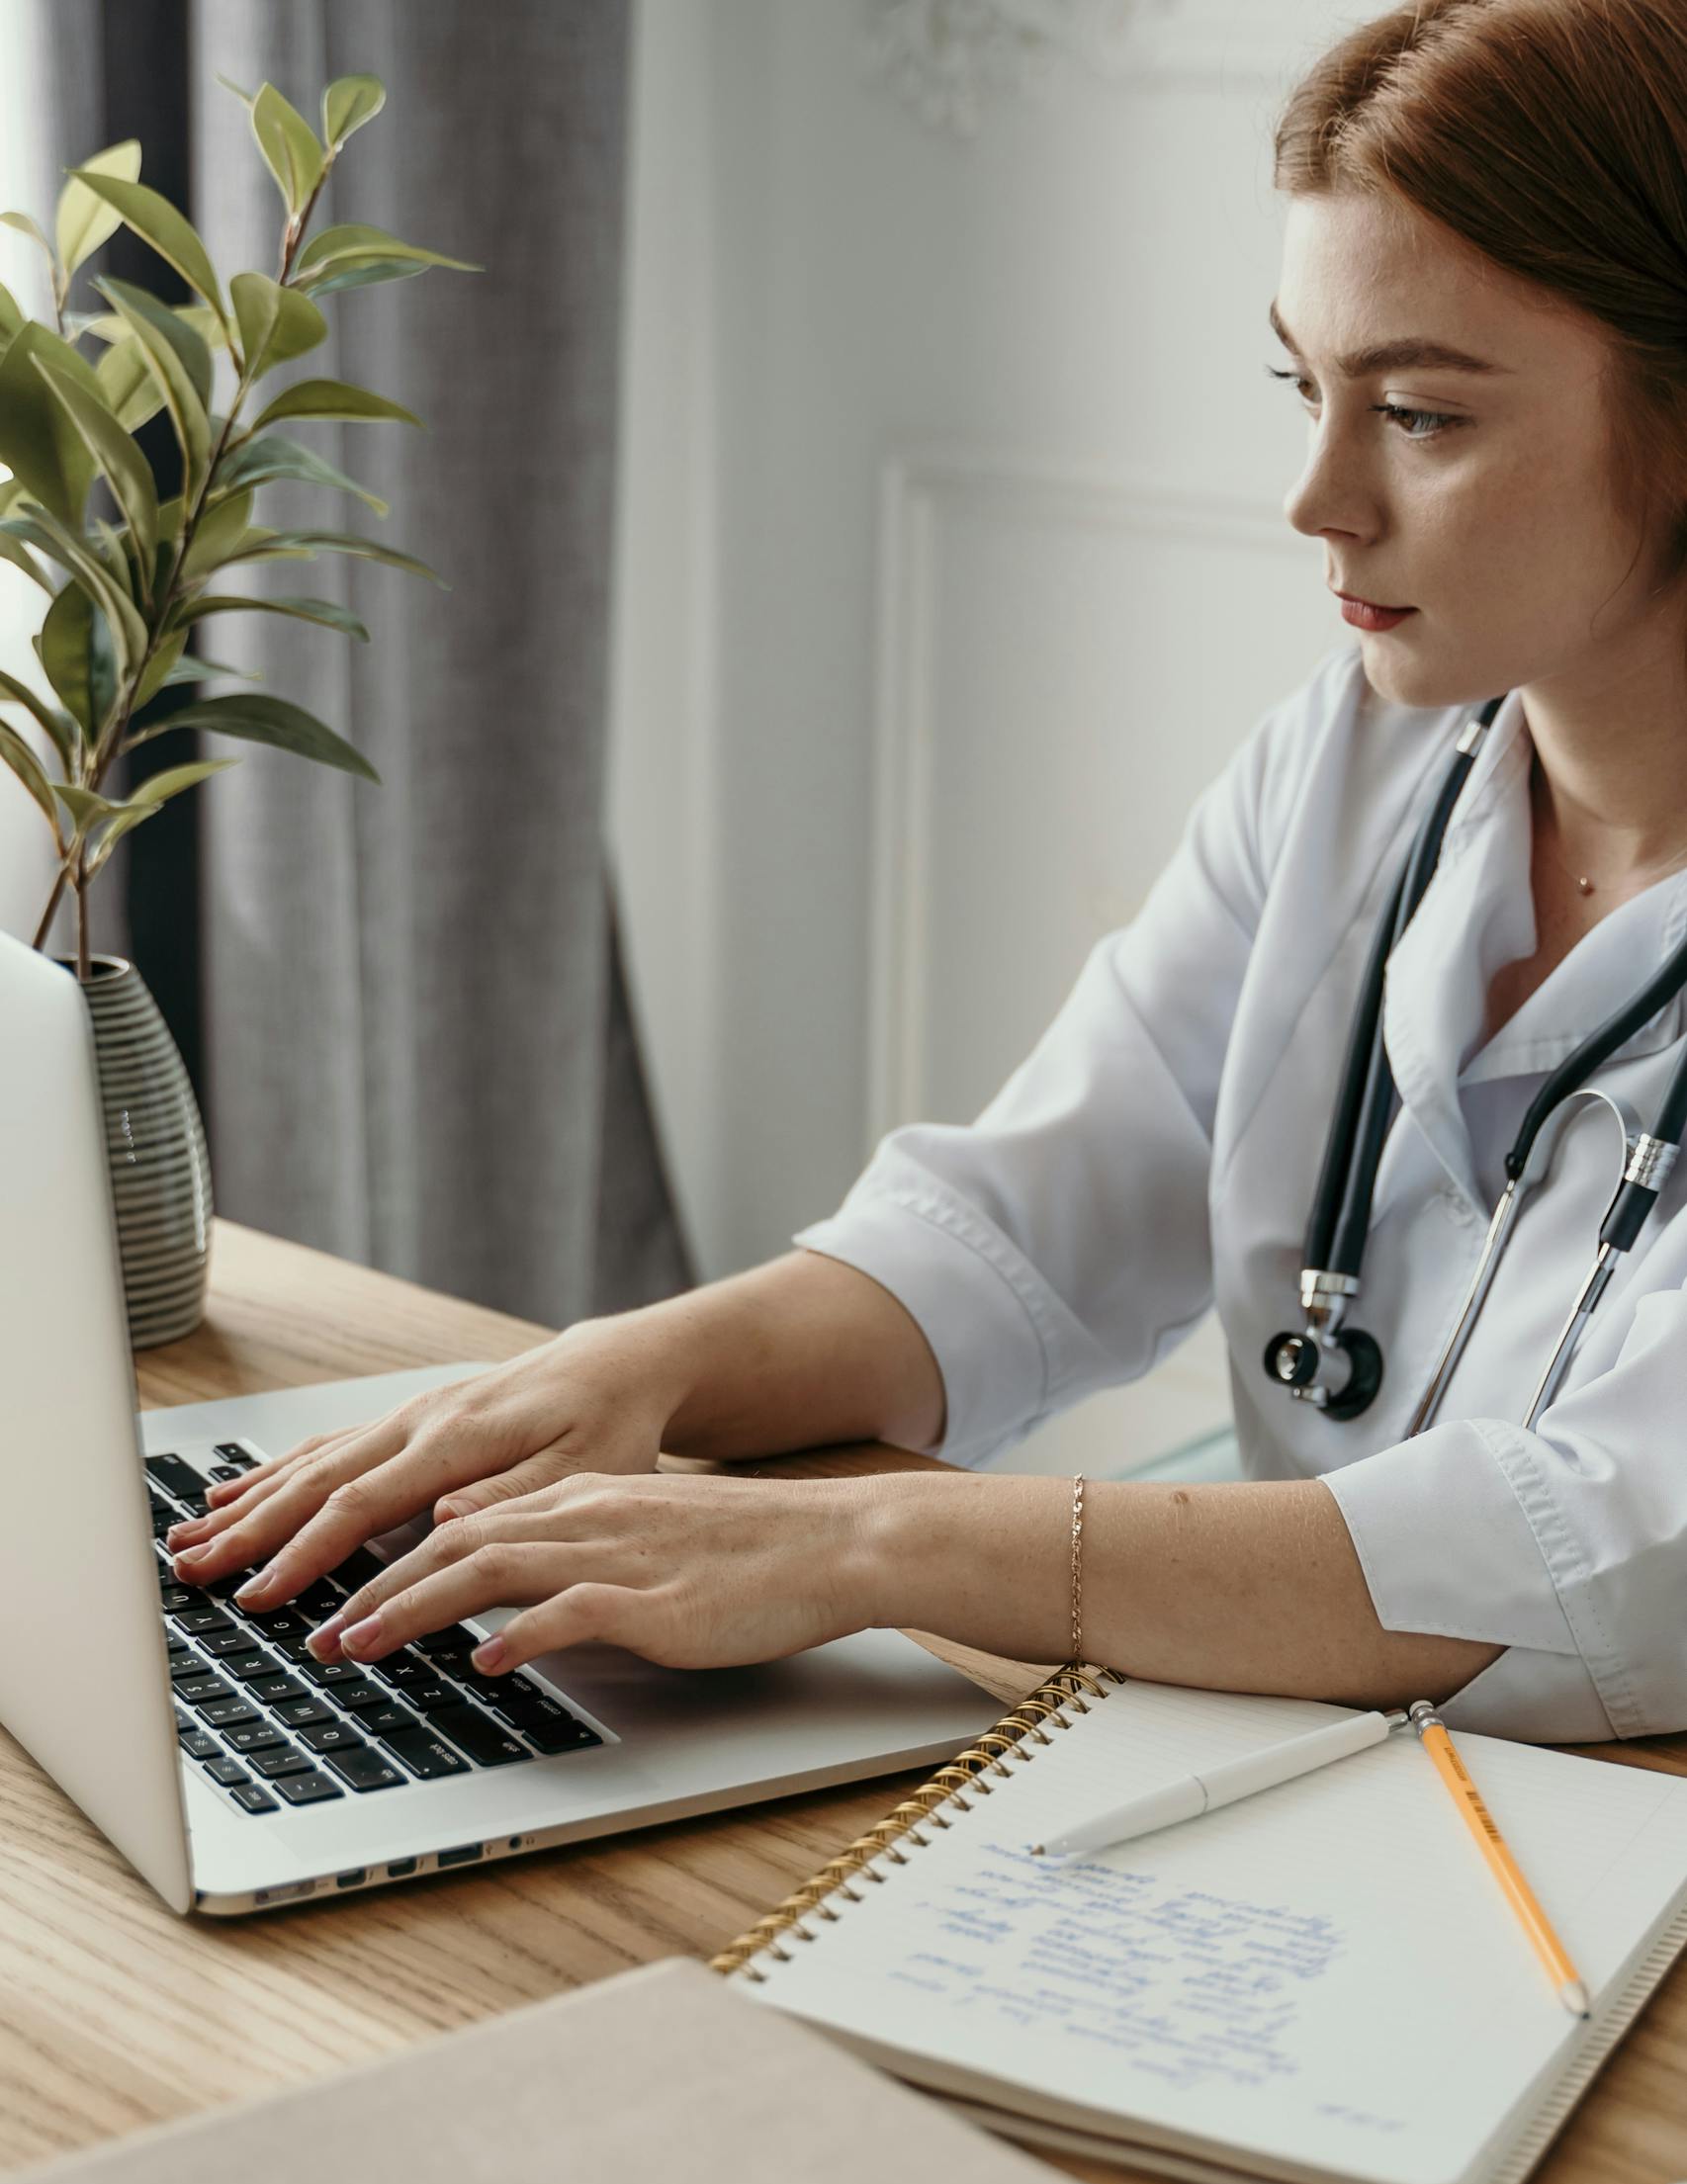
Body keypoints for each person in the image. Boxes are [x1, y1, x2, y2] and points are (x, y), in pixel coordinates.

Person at [169, 0, 1687, 1743]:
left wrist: (875, 1538)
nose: (1314, 497)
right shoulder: (1350, 767)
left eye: (1417, 414)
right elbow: (1025, 1224)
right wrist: (626, 1369)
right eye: (1302, 387)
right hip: (1308, 1776)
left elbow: (1622, 1544)